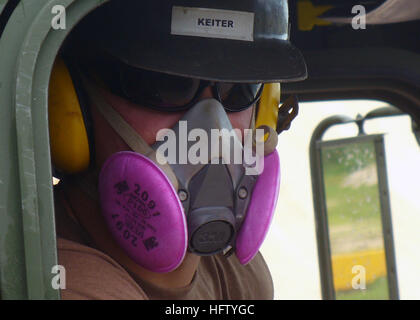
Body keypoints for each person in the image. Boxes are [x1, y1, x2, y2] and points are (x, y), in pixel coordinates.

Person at [50, 0, 307, 300]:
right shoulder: (60, 280)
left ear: (263, 111)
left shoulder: (238, 274)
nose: (212, 128)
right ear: (72, 105)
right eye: (168, 85)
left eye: (239, 87)